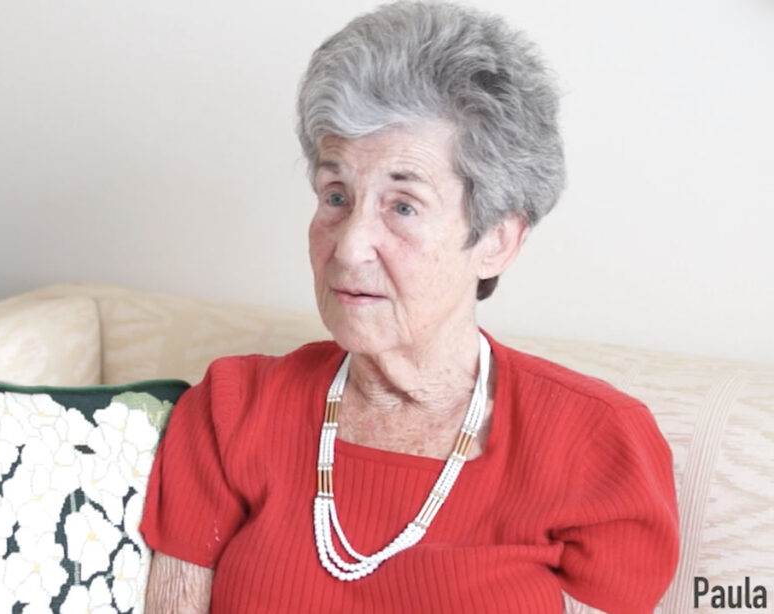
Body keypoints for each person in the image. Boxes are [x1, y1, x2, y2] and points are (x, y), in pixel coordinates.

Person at [139, 2, 678, 613]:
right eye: (336, 195)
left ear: (497, 240)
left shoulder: (597, 443)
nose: (349, 244)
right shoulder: (232, 410)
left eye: (402, 206)